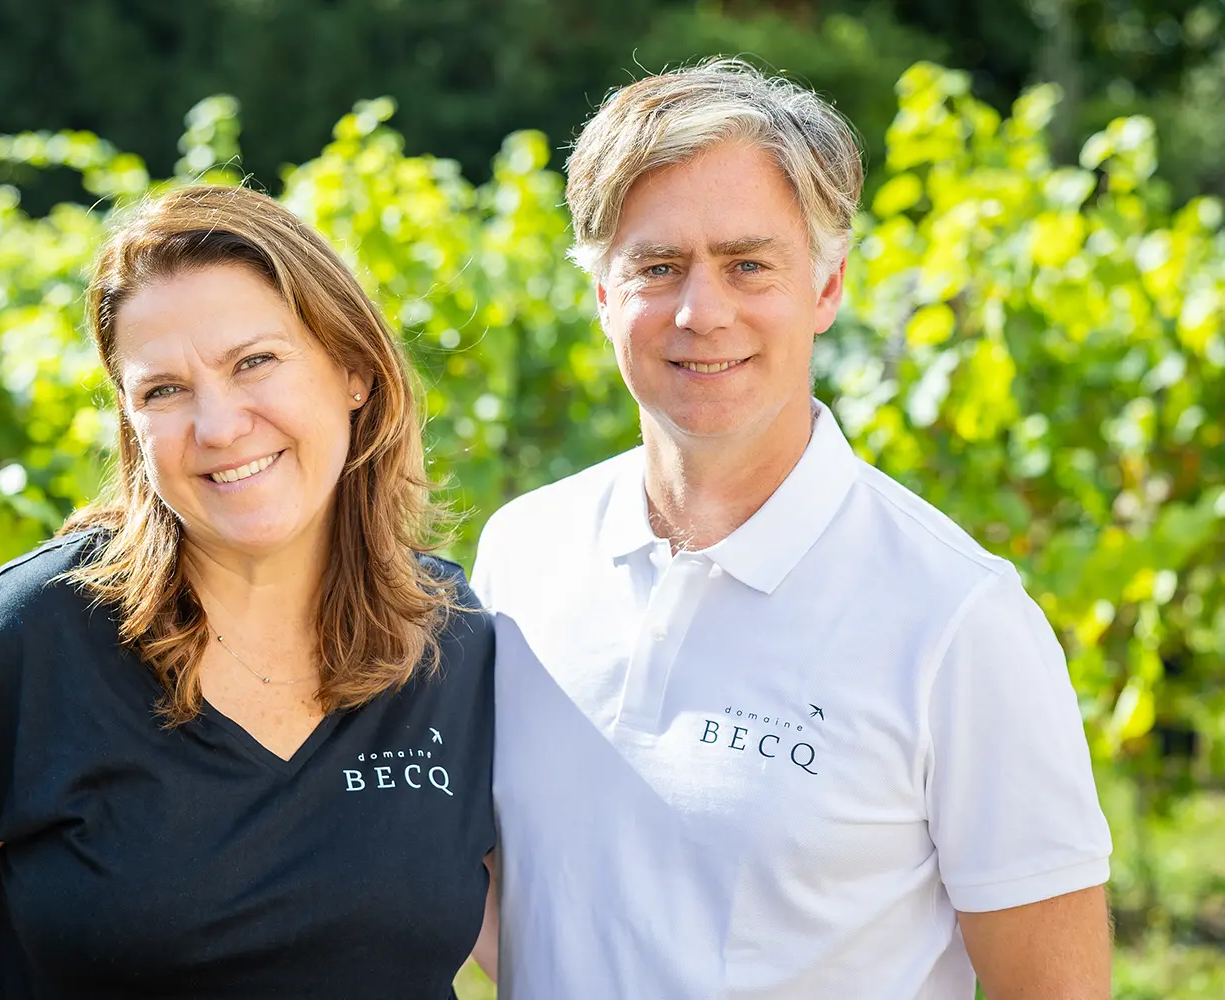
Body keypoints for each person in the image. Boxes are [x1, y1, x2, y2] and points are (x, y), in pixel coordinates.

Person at [473, 60, 1112, 999]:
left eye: (748, 265)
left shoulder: (958, 618)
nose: (702, 312)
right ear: (604, 294)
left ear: (825, 288)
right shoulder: (523, 555)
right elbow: (523, 901)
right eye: (658, 267)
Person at [0, 185, 497, 1000]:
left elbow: (548, 931)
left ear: (354, 371)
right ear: (131, 423)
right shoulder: (25, 639)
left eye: (254, 362)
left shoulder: (452, 636)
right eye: (163, 390)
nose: (219, 425)